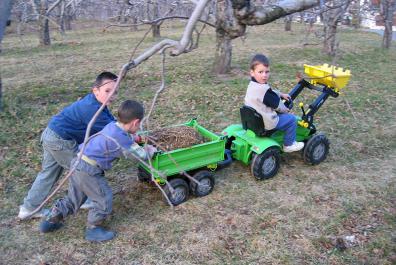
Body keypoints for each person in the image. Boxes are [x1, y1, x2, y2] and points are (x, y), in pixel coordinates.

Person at [39, 100, 157, 242]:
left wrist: (136, 138)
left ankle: (51, 219)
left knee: (74, 198)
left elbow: (124, 136)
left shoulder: (112, 126)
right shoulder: (121, 140)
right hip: (89, 170)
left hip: (77, 162)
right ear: (135, 122)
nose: (139, 128)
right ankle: (93, 228)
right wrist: (151, 150)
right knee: (104, 198)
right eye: (139, 125)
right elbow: (140, 155)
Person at [18, 72, 118, 220]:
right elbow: (114, 132)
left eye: (115, 92)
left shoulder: (97, 103)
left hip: (51, 134)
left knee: (49, 172)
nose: (112, 95)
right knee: (81, 168)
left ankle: (29, 208)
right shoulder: (91, 109)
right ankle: (84, 199)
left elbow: (112, 121)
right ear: (95, 90)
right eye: (107, 91)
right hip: (60, 140)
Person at [244, 54, 304, 152]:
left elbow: (268, 92)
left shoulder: (252, 85)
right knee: (291, 120)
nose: (264, 75)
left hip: (253, 121)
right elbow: (278, 106)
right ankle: (289, 144)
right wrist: (286, 110)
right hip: (266, 123)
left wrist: (280, 94)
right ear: (252, 72)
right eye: (261, 72)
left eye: (267, 72)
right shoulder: (264, 91)